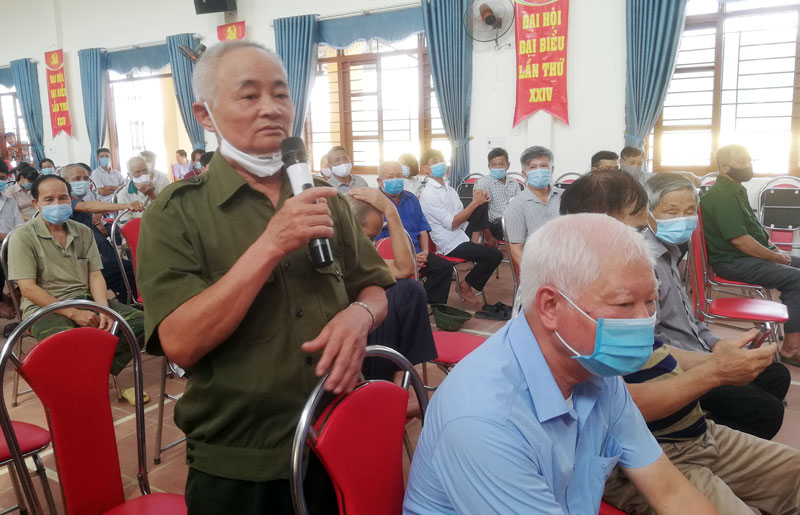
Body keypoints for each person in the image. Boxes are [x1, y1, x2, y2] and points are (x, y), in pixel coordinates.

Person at [136, 41, 394, 514]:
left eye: (281, 94)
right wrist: (270, 244)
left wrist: (359, 315)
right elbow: (181, 343)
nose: (271, 108)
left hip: (336, 431)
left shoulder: (324, 198)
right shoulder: (176, 213)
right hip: (242, 458)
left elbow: (374, 288)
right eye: (249, 95)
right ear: (205, 114)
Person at [404, 213, 716, 514]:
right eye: (624, 303)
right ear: (550, 306)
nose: (644, 320)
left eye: (650, 301)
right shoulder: (485, 421)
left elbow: (669, 491)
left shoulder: (595, 367)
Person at [559, 170, 800, 514]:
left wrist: (718, 356)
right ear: (594, 231)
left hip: (697, 436)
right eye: (636, 230)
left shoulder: (632, 272)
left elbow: (654, 349)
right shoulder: (571, 306)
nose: (645, 238)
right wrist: (714, 373)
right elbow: (614, 409)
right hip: (642, 457)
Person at [645, 172, 788, 440]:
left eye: (689, 211)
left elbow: (688, 320)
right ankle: (700, 444)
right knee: (766, 411)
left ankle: (715, 426)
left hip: (700, 350)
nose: (682, 219)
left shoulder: (671, 253)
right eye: (672, 212)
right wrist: (712, 362)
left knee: (776, 374)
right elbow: (652, 344)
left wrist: (716, 343)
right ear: (648, 213)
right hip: (678, 366)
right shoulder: (646, 263)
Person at [7, 175, 146, 393]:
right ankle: (84, 385)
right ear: (36, 203)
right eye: (49, 199)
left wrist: (104, 309)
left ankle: (94, 374)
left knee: (141, 325)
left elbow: (95, 275)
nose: (57, 204)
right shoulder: (23, 237)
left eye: (63, 198)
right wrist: (74, 313)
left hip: (85, 299)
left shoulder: (82, 232)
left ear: (70, 199)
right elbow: (28, 289)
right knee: (67, 343)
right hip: (44, 308)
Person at [701, 144, 800, 363]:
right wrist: (774, 256)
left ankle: (795, 328)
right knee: (796, 279)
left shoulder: (736, 189)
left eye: (749, 161)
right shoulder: (721, 195)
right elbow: (740, 240)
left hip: (744, 256)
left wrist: (773, 248)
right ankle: (792, 349)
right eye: (742, 162)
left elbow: (753, 230)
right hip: (733, 261)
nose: (748, 166)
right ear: (724, 167)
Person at [346, 186, 438, 384]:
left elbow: (405, 268)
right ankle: (381, 384)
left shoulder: (360, 257)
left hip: (365, 327)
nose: (371, 245)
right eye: (368, 238)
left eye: (374, 239)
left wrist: (391, 211)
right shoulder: (329, 255)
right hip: (345, 335)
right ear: (346, 227)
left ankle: (400, 374)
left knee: (410, 290)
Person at [419, 149, 502, 307]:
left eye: (441, 160)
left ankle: (480, 240)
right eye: (435, 162)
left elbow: (461, 215)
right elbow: (452, 223)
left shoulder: (449, 188)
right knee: (494, 255)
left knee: (482, 200)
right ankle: (465, 286)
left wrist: (478, 199)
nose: (440, 164)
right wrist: (474, 203)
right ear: (426, 169)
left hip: (461, 232)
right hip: (449, 242)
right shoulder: (429, 194)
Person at [61, 164, 144, 304]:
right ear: (64, 182)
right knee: (129, 270)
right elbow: (88, 207)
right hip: (80, 261)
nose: (83, 182)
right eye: (77, 179)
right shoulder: (65, 202)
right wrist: (126, 205)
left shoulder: (81, 200)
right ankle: (129, 304)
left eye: (86, 178)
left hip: (93, 253)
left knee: (130, 268)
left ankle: (127, 303)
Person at [374, 161, 454, 305]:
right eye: (390, 177)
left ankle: (426, 305)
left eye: (399, 175)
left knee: (444, 267)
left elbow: (422, 229)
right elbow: (379, 244)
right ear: (380, 181)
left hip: (417, 253)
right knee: (404, 282)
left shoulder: (412, 199)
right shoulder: (374, 203)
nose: (395, 179)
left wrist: (425, 252)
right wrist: (409, 259)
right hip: (392, 258)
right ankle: (411, 304)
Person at [504, 145, 562, 267]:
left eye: (544, 166)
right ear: (524, 174)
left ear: (551, 170)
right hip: (538, 265)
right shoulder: (516, 206)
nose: (539, 171)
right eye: (533, 167)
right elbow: (516, 250)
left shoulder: (565, 197)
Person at [473, 147, 520, 244]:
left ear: (508, 165)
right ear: (489, 166)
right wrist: (488, 235)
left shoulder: (513, 182)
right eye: (494, 165)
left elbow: (520, 205)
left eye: (501, 164)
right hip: (495, 225)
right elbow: (479, 213)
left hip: (514, 221)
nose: (498, 167)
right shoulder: (483, 183)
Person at [0, 160, 24, 319]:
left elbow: (19, 227)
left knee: (38, 259)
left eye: (2, 178)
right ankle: (1, 300)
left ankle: (17, 294)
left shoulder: (10, 201)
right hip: (8, 242)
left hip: (11, 244)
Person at [116, 156, 170, 221]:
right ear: (130, 175)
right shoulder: (123, 194)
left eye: (145, 170)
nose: (143, 174)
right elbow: (126, 222)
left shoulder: (159, 184)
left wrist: (151, 195)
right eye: (137, 172)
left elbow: (168, 212)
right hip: (139, 226)